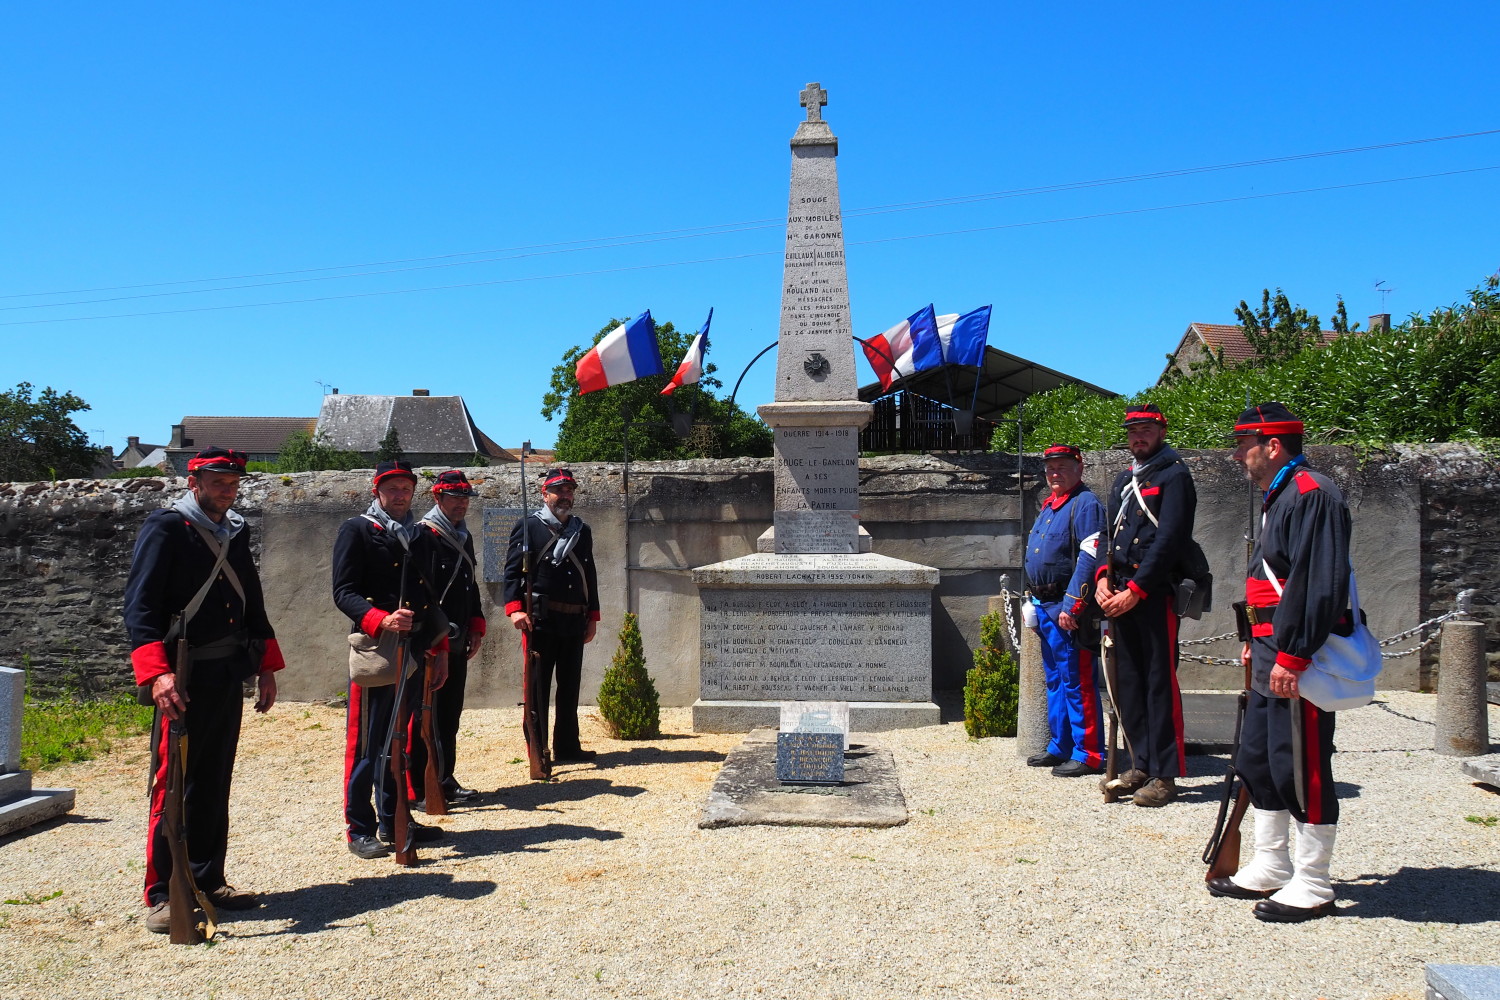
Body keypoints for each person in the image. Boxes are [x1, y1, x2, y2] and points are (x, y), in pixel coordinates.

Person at [123, 446, 285, 933]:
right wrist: (157, 674)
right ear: (194, 481)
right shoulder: (167, 526)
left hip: (225, 671)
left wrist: (267, 665)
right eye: (218, 481)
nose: (227, 490)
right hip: (183, 675)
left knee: (215, 778)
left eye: (233, 483)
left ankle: (207, 878)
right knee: (172, 783)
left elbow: (250, 599)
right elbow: (141, 606)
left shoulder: (235, 531)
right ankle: (161, 892)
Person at [1209, 402, 1351, 922]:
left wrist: (1293, 653)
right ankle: (1271, 863)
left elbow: (1318, 583)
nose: (1236, 453)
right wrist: (1254, 639)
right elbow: (1269, 579)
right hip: (1270, 651)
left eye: (1244, 443)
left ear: (1273, 445)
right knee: (1261, 758)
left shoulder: (1312, 493)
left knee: (1302, 763)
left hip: (1298, 658)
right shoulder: (1281, 494)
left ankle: (1314, 881)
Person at [332, 460, 449, 859]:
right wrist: (381, 618)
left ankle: (395, 817)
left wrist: (440, 648)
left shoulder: (421, 536)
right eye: (392, 488)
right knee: (368, 743)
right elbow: (343, 592)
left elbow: (431, 599)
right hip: (377, 650)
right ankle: (359, 826)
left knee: (399, 739)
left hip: (414, 651)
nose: (399, 495)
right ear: (376, 491)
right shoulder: (357, 531)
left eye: (405, 488)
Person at [1095, 404, 1197, 806]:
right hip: (1119, 593)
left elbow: (1170, 540)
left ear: (1161, 430)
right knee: (1128, 685)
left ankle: (1166, 775)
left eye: (1146, 430)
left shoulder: (1175, 476)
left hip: (1152, 594)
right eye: (1133, 431)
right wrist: (1102, 578)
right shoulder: (1124, 479)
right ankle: (1140, 762)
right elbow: (1106, 535)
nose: (1138, 437)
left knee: (1159, 685)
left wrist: (1135, 589)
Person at [503, 468, 601, 766]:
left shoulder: (581, 531)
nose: (565, 496)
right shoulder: (528, 526)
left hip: (574, 620)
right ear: (545, 494)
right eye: (559, 491)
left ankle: (568, 747)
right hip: (540, 621)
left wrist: (593, 615)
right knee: (537, 689)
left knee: (569, 688)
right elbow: (510, 572)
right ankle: (537, 747)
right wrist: (515, 608)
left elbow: (589, 574)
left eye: (569, 491)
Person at [1023, 444, 1107, 777]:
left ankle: (1088, 753)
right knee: (1055, 681)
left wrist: (1073, 604)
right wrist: (1031, 601)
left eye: (1062, 466)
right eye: (1050, 468)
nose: (1055, 473)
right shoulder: (1050, 506)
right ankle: (1061, 746)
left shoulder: (1085, 504)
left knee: (1077, 681)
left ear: (1079, 468)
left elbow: (1090, 557)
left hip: (1067, 608)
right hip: (1045, 606)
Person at [408, 470, 487, 807]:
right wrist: (432, 636)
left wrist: (477, 624)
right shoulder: (423, 535)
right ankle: (422, 786)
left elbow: (468, 584)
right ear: (437, 498)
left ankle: (444, 777)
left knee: (450, 712)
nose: (461, 502)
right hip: (432, 637)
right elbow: (420, 591)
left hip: (457, 635)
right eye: (454, 496)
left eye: (465, 497)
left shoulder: (462, 536)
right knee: (426, 714)